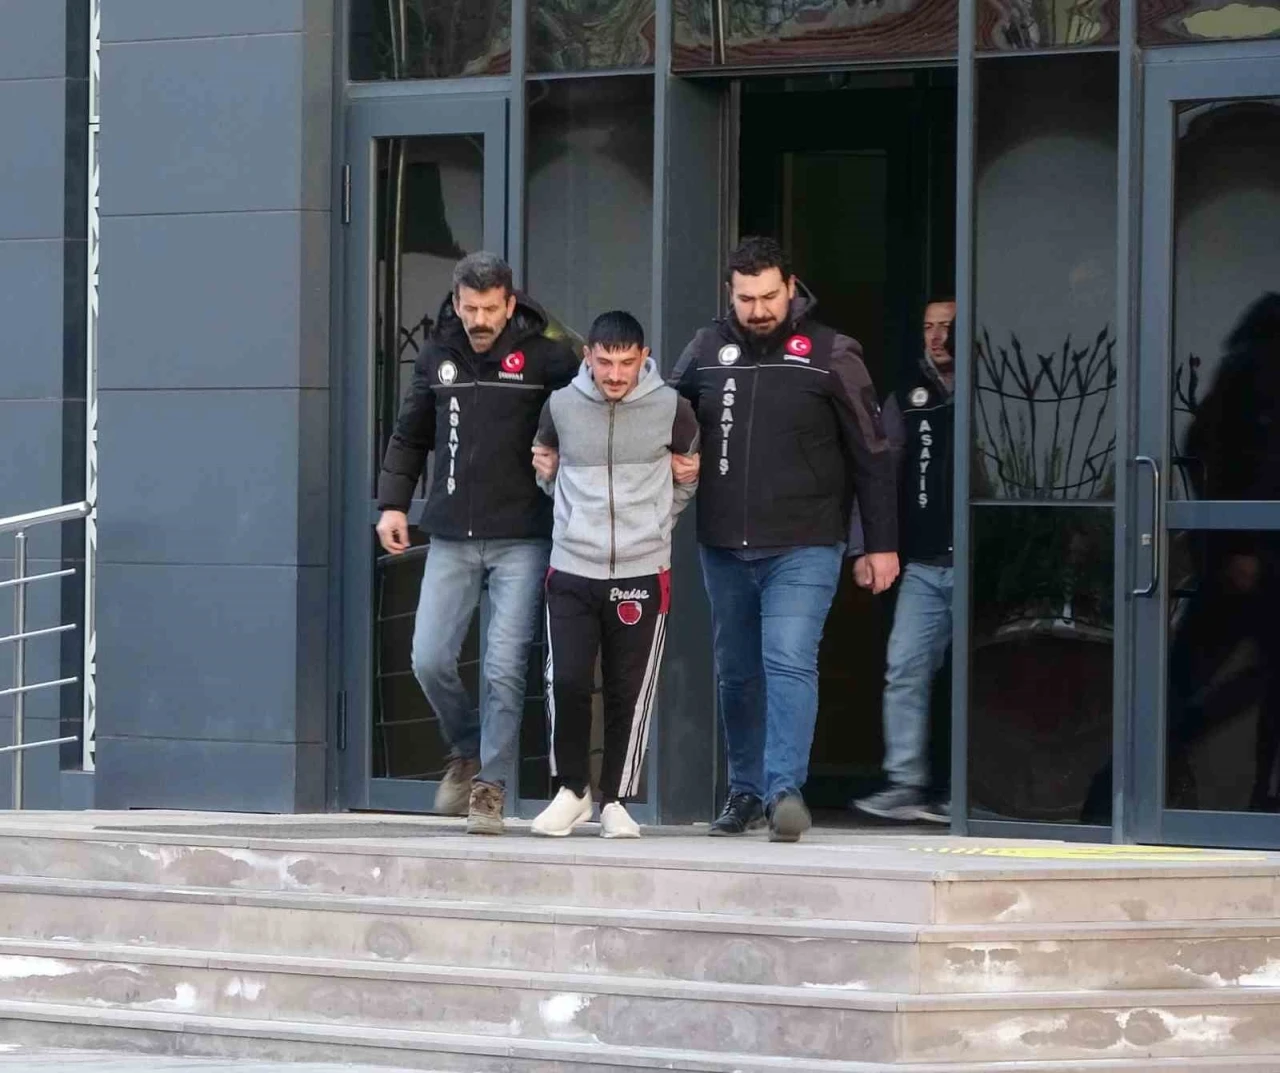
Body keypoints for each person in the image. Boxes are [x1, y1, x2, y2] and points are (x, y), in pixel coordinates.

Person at [672, 236, 899, 843]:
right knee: (737, 673)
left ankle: (783, 792)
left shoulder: (831, 352)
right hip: (723, 543)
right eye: (746, 299)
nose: (759, 310)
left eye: (769, 296)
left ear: (791, 288)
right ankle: (745, 791)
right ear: (731, 293)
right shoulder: (705, 349)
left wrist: (879, 544)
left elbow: (873, 453)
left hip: (806, 542)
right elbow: (661, 413)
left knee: (788, 658)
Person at [375, 252, 579, 835]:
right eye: (470, 308)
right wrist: (393, 503)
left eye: (490, 309)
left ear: (510, 304)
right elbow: (410, 434)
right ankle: (466, 746)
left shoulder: (548, 357)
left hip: (523, 536)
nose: (480, 320)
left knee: (504, 669)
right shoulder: (438, 354)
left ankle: (489, 787)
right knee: (429, 658)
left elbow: (584, 420)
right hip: (451, 535)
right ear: (457, 302)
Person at [529, 311, 700, 838]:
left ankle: (617, 801)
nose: (616, 374)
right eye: (605, 362)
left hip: (642, 570)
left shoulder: (673, 408)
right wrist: (558, 495)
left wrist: (656, 524)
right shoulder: (560, 406)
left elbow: (688, 478)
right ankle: (572, 790)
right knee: (567, 680)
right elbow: (547, 472)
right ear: (589, 357)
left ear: (644, 357)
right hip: (571, 567)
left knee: (631, 688)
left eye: (627, 362)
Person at [853, 298, 957, 824]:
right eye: (929, 327)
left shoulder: (994, 391)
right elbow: (879, 472)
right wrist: (866, 545)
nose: (936, 337)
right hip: (926, 563)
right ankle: (906, 783)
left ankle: (968, 789)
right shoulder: (909, 396)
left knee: (978, 676)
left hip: (987, 566)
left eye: (947, 327)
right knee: (905, 667)